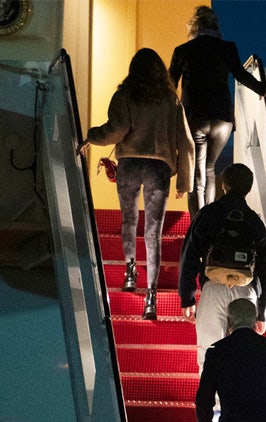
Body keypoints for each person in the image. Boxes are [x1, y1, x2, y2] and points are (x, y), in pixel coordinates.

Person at [82, 48, 195, 320]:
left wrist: (91, 136)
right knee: (153, 231)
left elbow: (115, 131)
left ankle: (130, 271)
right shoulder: (170, 100)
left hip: (130, 164)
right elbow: (186, 143)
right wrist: (184, 180)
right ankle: (151, 298)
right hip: (158, 168)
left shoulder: (125, 95)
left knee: (129, 221)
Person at [169, 5, 266, 218]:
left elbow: (169, 85)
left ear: (194, 27)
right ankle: (209, 218)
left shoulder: (182, 51)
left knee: (196, 174)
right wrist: (263, 91)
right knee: (209, 168)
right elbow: (241, 75)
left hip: (194, 118)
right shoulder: (227, 48)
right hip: (222, 119)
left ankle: (199, 224)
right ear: (215, 26)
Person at [178, 163, 266, 364]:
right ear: (249, 188)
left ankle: (210, 396)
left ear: (224, 185)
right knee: (242, 357)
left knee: (210, 353)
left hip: (213, 288)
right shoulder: (254, 221)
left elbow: (189, 255)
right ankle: (236, 395)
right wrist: (263, 312)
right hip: (246, 291)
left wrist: (187, 297)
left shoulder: (208, 214)